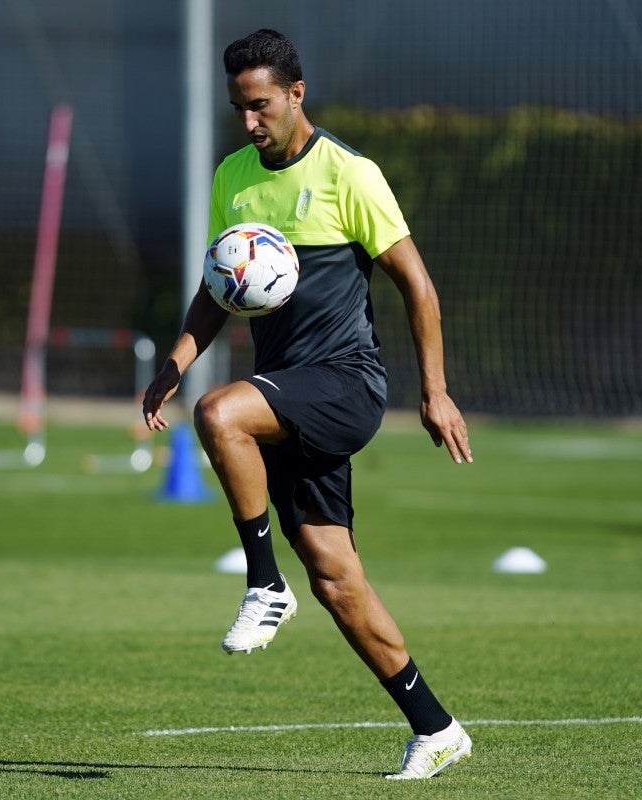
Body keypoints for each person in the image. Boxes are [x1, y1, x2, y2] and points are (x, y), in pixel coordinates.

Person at [143, 28, 473, 780]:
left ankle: (263, 582)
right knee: (335, 577)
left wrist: (435, 391)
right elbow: (219, 289)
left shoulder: (348, 174)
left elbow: (417, 286)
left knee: (219, 414)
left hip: (345, 382)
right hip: (286, 392)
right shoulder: (233, 176)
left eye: (260, 105)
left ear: (296, 94)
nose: (249, 122)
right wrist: (175, 361)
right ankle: (437, 728)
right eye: (238, 109)